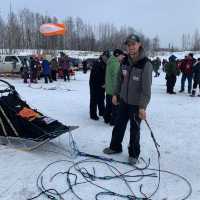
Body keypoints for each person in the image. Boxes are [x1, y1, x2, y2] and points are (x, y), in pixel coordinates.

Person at [103, 33, 153, 165]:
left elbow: (146, 90)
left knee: (134, 130)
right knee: (119, 125)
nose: (131, 46)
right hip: (124, 101)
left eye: (133, 44)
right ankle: (115, 147)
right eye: (129, 44)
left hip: (136, 104)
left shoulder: (145, 64)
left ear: (139, 45)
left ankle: (134, 154)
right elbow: (120, 79)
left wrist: (142, 107)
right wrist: (115, 94)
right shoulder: (124, 61)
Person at [104, 49, 125, 126]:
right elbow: (116, 79)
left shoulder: (109, 61)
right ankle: (113, 122)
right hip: (113, 90)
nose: (122, 57)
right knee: (115, 107)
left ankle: (106, 118)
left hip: (108, 89)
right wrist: (116, 92)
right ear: (117, 55)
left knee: (108, 105)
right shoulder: (116, 64)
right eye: (121, 56)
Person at [89, 51, 109, 120]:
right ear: (103, 56)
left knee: (101, 97)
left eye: (108, 57)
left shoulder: (105, 63)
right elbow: (96, 76)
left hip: (102, 84)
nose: (107, 58)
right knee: (94, 99)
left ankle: (102, 111)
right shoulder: (98, 63)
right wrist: (102, 83)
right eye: (106, 57)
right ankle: (93, 114)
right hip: (94, 84)